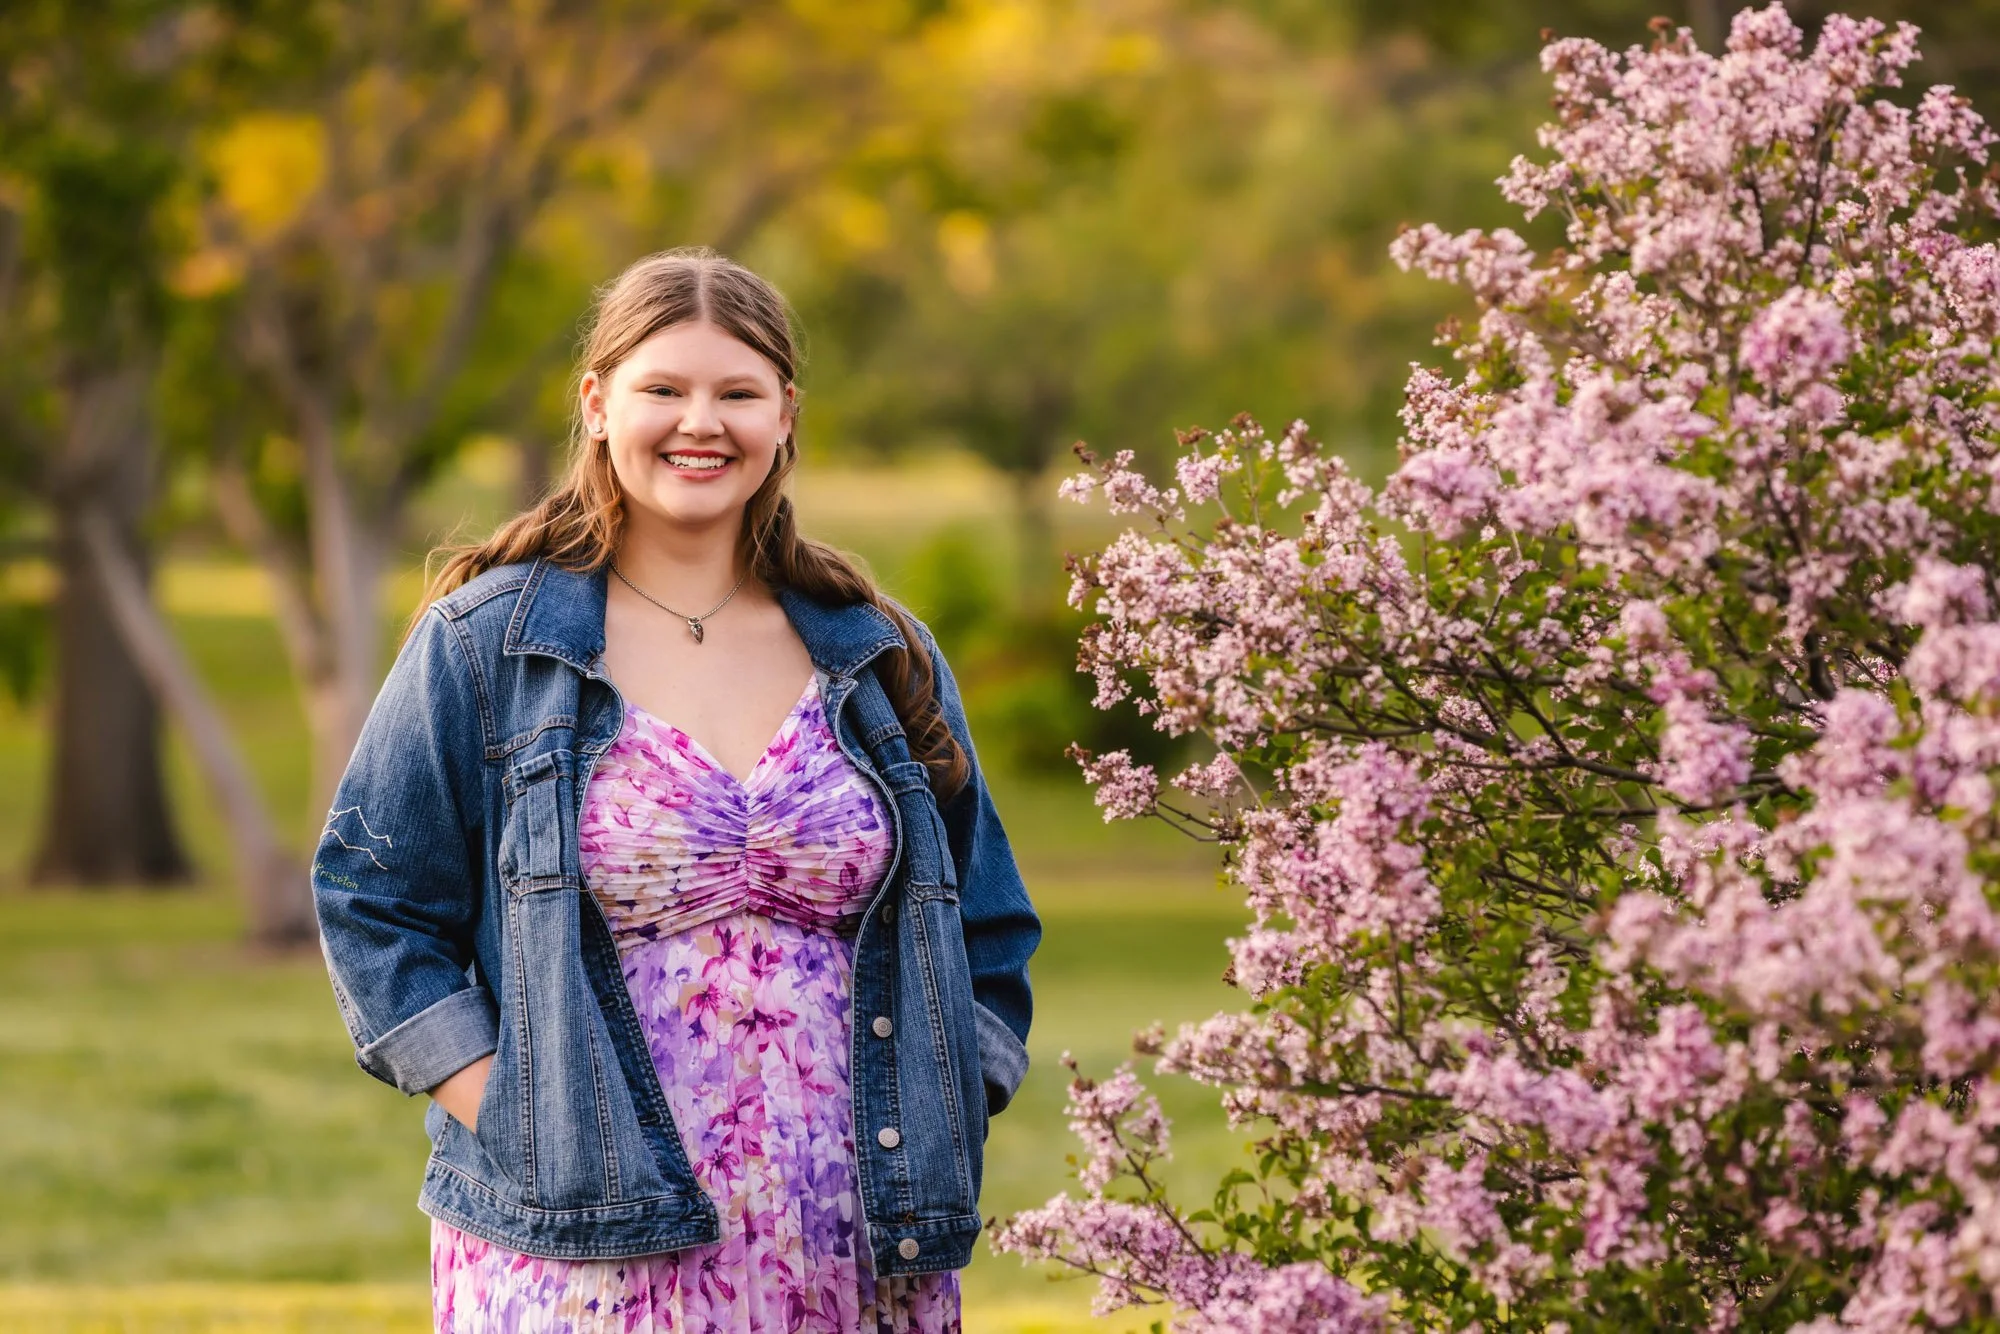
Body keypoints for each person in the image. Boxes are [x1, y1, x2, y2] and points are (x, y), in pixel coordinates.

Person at [310, 247, 1041, 1333]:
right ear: (598, 403)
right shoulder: (488, 646)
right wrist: (520, 1119)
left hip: (861, 1241)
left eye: (736, 393)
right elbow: (372, 900)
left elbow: (987, 925)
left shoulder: (879, 655)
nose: (701, 421)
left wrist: (947, 1110)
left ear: (784, 415)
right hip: (581, 1239)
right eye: (664, 388)